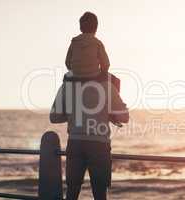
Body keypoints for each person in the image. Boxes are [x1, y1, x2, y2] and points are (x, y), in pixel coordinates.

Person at [50, 72, 129, 200]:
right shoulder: (107, 85)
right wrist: (106, 113)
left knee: (72, 191)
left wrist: (74, 115)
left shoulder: (67, 85)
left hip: (75, 143)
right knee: (100, 192)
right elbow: (124, 117)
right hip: (99, 144)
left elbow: (54, 117)